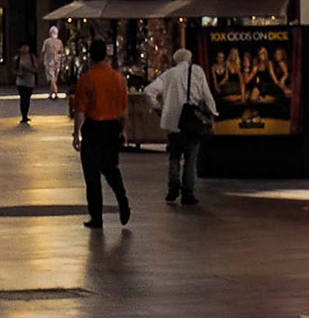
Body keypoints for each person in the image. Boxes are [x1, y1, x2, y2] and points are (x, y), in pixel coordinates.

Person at [72, 38, 132, 228]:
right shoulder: (118, 78)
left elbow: (80, 110)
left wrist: (76, 135)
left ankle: (96, 217)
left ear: (90, 55)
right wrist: (124, 131)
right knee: (111, 168)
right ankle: (122, 198)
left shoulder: (87, 79)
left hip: (94, 128)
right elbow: (124, 111)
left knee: (92, 175)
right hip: (112, 127)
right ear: (105, 55)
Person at [144, 46, 215, 205]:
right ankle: (188, 193)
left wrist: (158, 108)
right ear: (189, 59)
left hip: (173, 123)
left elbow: (149, 91)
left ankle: (173, 189)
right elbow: (206, 94)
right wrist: (212, 114)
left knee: (174, 157)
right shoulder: (197, 72)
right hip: (192, 123)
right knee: (191, 158)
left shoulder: (169, 74)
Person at [12, 42, 37, 124]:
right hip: (21, 81)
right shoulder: (17, 58)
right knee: (23, 98)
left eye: (26, 47)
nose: (25, 49)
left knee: (28, 98)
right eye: (23, 47)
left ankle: (26, 114)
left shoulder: (32, 57)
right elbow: (14, 70)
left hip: (30, 81)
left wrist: (28, 70)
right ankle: (24, 115)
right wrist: (19, 73)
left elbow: (36, 69)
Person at [41, 26, 65, 99]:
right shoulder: (59, 42)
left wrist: (42, 59)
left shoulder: (46, 41)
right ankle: (51, 94)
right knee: (55, 78)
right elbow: (62, 51)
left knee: (52, 78)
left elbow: (43, 51)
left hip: (49, 61)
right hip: (58, 61)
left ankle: (56, 93)